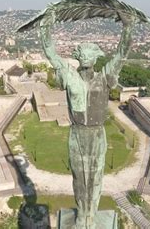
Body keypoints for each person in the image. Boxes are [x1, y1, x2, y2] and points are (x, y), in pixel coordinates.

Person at [38, 11, 136, 228]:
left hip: (97, 133)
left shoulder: (105, 77)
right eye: (81, 54)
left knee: (96, 177)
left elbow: (122, 54)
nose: (85, 58)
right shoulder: (69, 75)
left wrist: (127, 27)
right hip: (77, 133)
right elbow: (50, 53)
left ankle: (91, 216)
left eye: (88, 54)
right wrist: (46, 27)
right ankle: (82, 216)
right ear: (78, 58)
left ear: (94, 59)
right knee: (80, 179)